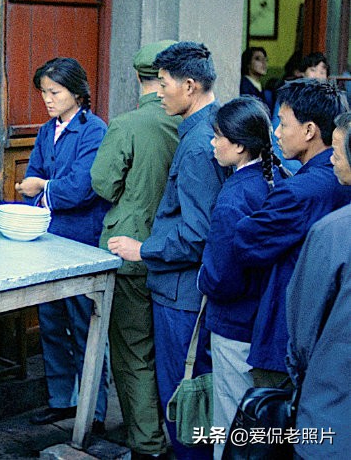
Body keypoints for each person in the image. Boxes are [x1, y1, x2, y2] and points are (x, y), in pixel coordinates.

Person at [110, 41, 229, 460]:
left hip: (180, 294)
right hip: (192, 291)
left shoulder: (199, 145)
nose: (158, 93)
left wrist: (144, 249)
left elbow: (197, 233)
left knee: (184, 403)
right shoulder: (211, 124)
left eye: (163, 84)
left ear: (190, 86)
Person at [91, 40, 180, 460]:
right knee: (172, 351)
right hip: (175, 251)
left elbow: (103, 184)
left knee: (132, 352)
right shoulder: (195, 124)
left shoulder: (127, 125)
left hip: (129, 249)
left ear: (140, 79)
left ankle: (146, 444)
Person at [233, 78, 351, 390]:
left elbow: (245, 241)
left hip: (287, 339)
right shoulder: (336, 179)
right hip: (328, 339)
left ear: (310, 130)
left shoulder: (300, 191)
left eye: (283, 123)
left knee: (270, 432)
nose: (276, 132)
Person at [15, 57, 110, 434]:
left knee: (84, 325)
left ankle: (95, 410)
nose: (48, 100)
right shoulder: (45, 130)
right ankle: (61, 400)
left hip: (80, 240)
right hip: (46, 237)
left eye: (54, 92)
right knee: (52, 321)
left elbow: (82, 188)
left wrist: (42, 188)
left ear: (77, 92)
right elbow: (32, 174)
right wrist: (37, 187)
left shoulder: (94, 131)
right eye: (43, 93)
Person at [197, 97, 285, 459]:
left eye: (218, 137)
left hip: (235, 325)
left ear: (240, 145)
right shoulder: (280, 177)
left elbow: (222, 278)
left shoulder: (234, 196)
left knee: (230, 423)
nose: (213, 144)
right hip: (268, 321)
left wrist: (203, 276)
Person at [287, 111, 351, 459]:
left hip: (331, 417)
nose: (333, 159)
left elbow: (301, 332)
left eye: (338, 151)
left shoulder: (332, 232)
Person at [239, 47, 273, 112]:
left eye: (266, 59)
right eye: (258, 59)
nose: (264, 63)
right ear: (248, 63)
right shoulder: (244, 86)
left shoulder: (260, 87)